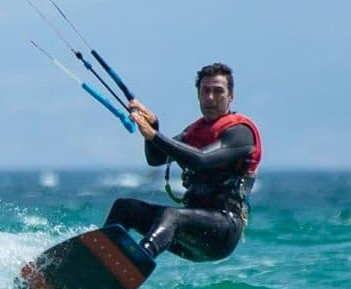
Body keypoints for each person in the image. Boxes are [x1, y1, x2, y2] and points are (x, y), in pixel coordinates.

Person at [103, 61, 262, 263]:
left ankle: (135, 263)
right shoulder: (194, 132)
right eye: (205, 91)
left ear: (230, 96)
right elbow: (156, 158)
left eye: (218, 91)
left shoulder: (240, 133)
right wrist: (153, 126)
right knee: (125, 208)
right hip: (189, 230)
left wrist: (154, 135)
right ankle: (99, 260)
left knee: (171, 215)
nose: (210, 98)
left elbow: (201, 159)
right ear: (198, 95)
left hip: (222, 231)